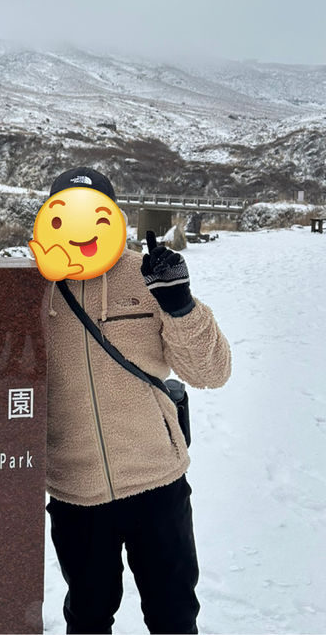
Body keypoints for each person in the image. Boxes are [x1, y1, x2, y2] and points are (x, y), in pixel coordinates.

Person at [42, 166, 231, 634]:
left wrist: (181, 306)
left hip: (156, 483)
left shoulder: (147, 276)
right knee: (87, 617)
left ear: (114, 217)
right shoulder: (32, 288)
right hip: (75, 490)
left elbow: (212, 372)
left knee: (173, 616)